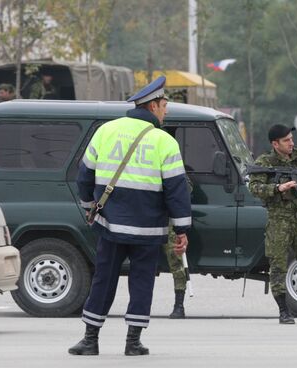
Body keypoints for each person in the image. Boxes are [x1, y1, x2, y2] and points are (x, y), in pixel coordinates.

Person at [68, 76, 192, 356]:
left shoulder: (106, 130)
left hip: (110, 224)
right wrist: (182, 228)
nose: (166, 110)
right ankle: (133, 342)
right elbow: (176, 189)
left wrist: (90, 206)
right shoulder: (165, 141)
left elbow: (84, 175)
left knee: (104, 278)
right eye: (164, 105)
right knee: (142, 281)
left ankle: (90, 340)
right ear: (152, 106)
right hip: (147, 229)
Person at [247, 124, 297, 325]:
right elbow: (254, 188)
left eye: (291, 139)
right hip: (279, 221)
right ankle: (283, 310)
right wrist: (277, 188)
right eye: (286, 140)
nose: (291, 143)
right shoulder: (264, 162)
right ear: (275, 144)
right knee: (278, 265)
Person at [163, 175, 193, 319]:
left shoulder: (175, 171)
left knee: (177, 262)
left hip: (170, 222)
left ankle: (179, 305)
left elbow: (187, 188)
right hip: (149, 219)